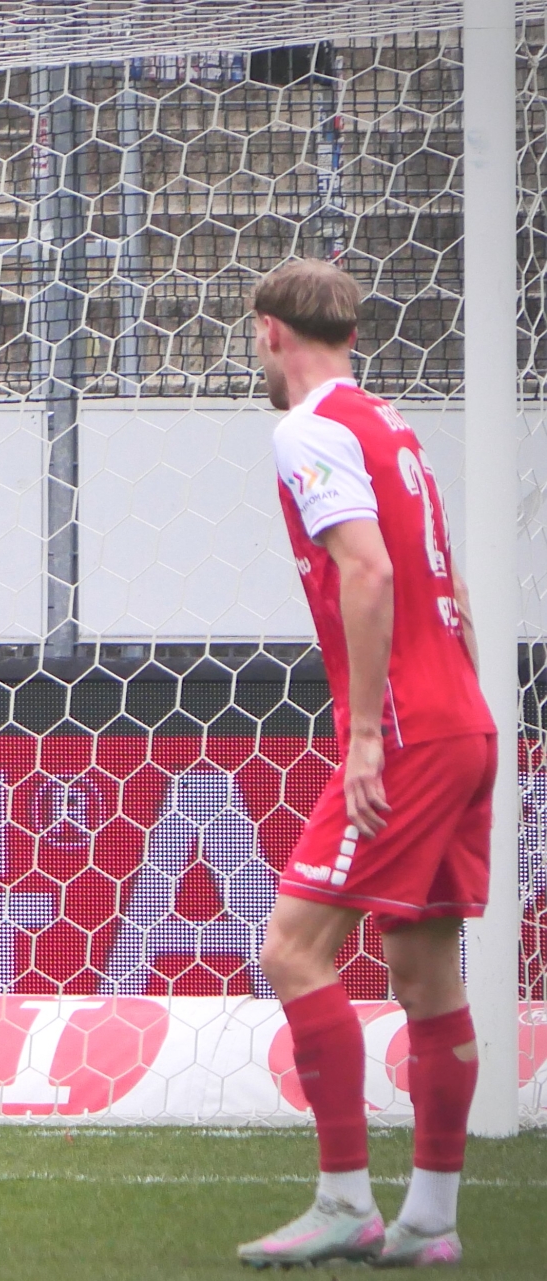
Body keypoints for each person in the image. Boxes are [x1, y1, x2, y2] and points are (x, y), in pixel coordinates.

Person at [236, 259, 493, 1269]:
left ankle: (345, 1198)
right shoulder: (392, 425)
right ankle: (431, 1219)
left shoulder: (307, 429)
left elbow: (370, 568)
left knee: (292, 950)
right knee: (424, 971)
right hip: (462, 718)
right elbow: (449, 581)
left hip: (411, 730)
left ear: (271, 331)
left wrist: (371, 736)